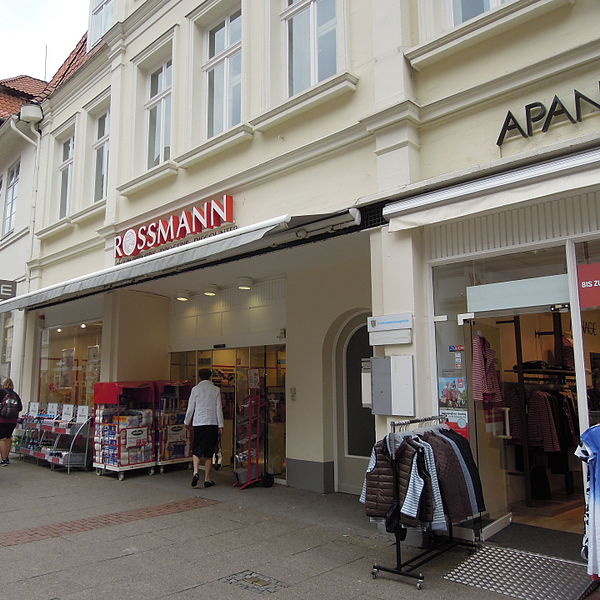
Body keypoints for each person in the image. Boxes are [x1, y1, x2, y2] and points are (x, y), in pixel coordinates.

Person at [184, 368, 223, 488]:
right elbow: (218, 408)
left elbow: (191, 407)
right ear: (210, 376)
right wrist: (221, 425)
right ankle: (207, 479)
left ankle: (195, 472)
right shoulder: (216, 389)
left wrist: (186, 421)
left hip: (198, 423)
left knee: (196, 449)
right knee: (208, 452)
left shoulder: (195, 390)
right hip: (212, 423)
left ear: (199, 377)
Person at [0, 378, 22, 466]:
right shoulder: (15, 395)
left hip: (2, 419)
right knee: (8, 438)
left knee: (2, 439)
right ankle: (7, 457)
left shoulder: (1, 392)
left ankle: (3, 459)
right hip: (13, 420)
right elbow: (20, 408)